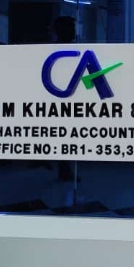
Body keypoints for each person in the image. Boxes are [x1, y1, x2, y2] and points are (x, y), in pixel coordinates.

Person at [52, 16, 79, 182]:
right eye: (72, 27)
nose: (74, 31)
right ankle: (64, 169)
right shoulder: (62, 50)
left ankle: (65, 169)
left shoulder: (69, 49)